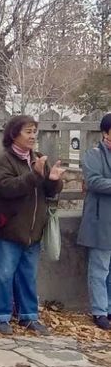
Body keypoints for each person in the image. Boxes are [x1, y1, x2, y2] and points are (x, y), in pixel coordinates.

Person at [0, 115, 65, 336]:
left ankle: (29, 316)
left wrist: (53, 179)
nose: (33, 136)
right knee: (3, 274)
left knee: (28, 275)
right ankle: (0, 316)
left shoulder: (39, 158)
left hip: (34, 231)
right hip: (8, 229)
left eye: (34, 132)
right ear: (14, 134)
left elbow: (50, 191)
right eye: (28, 132)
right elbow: (6, 188)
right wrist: (34, 175)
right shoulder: (4, 160)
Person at [77, 113, 111, 330]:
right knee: (100, 268)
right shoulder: (94, 154)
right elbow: (94, 181)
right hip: (101, 220)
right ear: (105, 133)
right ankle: (99, 311)